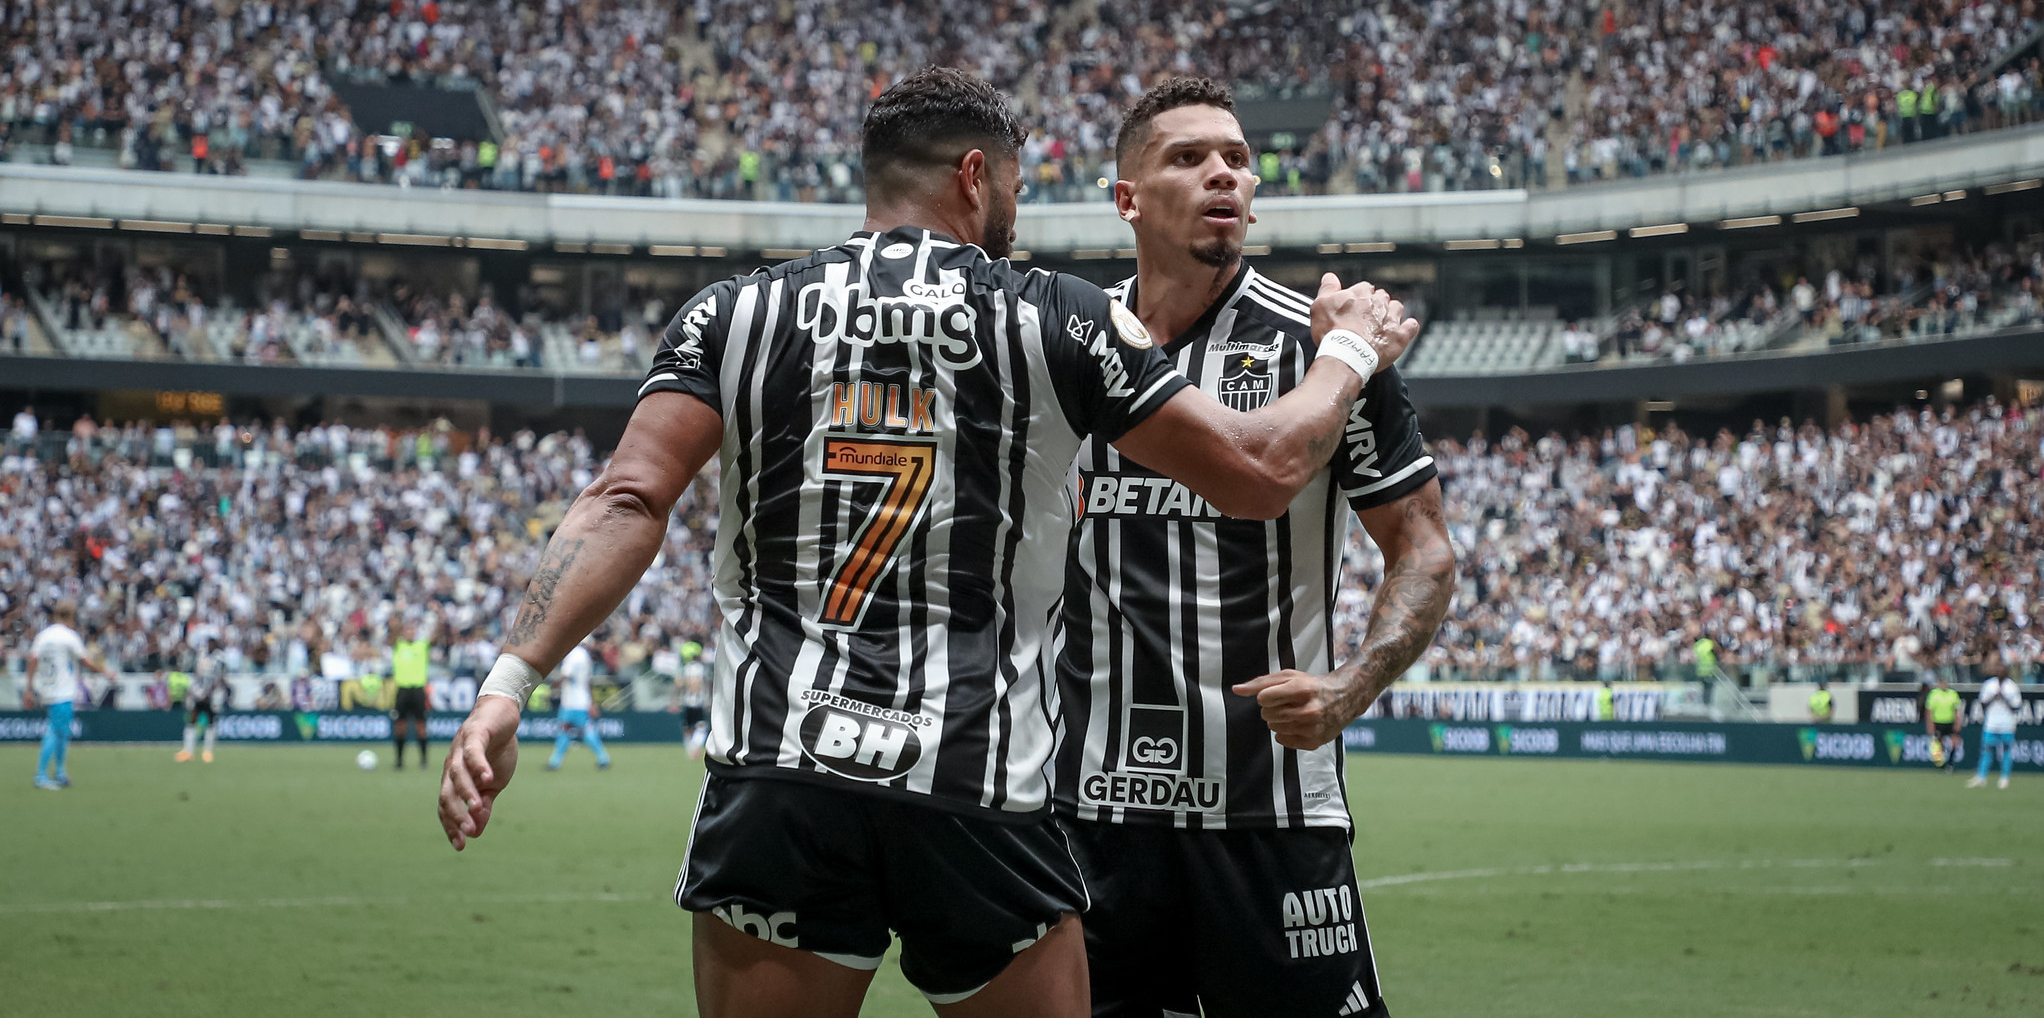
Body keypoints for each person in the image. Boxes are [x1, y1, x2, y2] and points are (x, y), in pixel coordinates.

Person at [437, 66, 1415, 1018]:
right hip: (975, 779)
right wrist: (1346, 353)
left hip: (784, 775)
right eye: (1016, 190)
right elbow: (1258, 475)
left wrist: (507, 685)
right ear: (973, 178)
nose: (1017, 216)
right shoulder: (1053, 317)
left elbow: (624, 500)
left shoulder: (734, 313)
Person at [1054, 78, 1456, 1018]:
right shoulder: (1067, 346)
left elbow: (1424, 548)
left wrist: (1352, 684)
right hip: (1088, 813)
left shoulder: (1321, 350)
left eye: (1236, 158)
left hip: (1270, 806)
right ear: (1126, 199)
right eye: (1188, 157)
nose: (1223, 174)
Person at [25, 600, 108, 789]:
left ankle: (60, 773)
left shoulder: (43, 636)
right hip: (62, 691)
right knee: (55, 731)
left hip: (47, 688)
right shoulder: (70, 637)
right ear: (70, 616)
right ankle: (41, 775)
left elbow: (32, 660)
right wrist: (105, 672)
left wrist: (29, 688)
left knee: (62, 732)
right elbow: (85, 661)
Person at [546, 643, 611, 771]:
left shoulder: (574, 655)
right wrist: (590, 701)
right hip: (581, 700)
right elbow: (588, 682)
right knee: (583, 729)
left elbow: (567, 675)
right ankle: (602, 758)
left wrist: (553, 686)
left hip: (571, 701)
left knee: (566, 729)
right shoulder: (585, 656)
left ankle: (555, 762)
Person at [1969, 660, 2022, 789]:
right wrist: (1994, 697)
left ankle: (2004, 777)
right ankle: (1981, 777)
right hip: (1991, 723)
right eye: (1998, 669)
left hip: (2007, 724)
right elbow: (1982, 703)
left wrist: (2005, 698)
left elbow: (2016, 707)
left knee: (2006, 751)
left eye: (2002, 669)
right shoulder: (1989, 685)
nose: (2000, 672)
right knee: (1986, 750)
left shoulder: (2012, 686)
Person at [177, 638, 229, 764]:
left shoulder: (219, 659)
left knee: (211, 722)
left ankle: (207, 751)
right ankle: (188, 751)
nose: (209, 647)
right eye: (207, 644)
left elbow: (219, 678)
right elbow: (197, 675)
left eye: (211, 644)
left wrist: (210, 693)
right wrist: (195, 691)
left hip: (212, 696)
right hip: (199, 694)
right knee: (192, 720)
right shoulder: (202, 658)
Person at [390, 617, 431, 770]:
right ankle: (399, 761)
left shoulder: (422, 646)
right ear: (403, 633)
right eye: (407, 630)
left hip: (418, 690)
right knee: (400, 726)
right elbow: (392, 636)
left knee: (421, 726)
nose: (410, 633)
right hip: (403, 690)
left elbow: (435, 637)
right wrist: (396, 622)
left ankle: (424, 760)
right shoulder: (398, 645)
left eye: (412, 631)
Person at [1925, 677, 1963, 771]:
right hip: (1938, 722)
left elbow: (1957, 710)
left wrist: (1958, 722)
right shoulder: (1934, 694)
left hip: (1950, 722)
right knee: (1939, 743)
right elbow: (1929, 710)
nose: (1943, 685)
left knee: (1954, 742)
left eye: (1945, 683)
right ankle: (1942, 763)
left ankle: (1950, 762)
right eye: (1941, 683)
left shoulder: (1953, 694)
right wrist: (1930, 725)